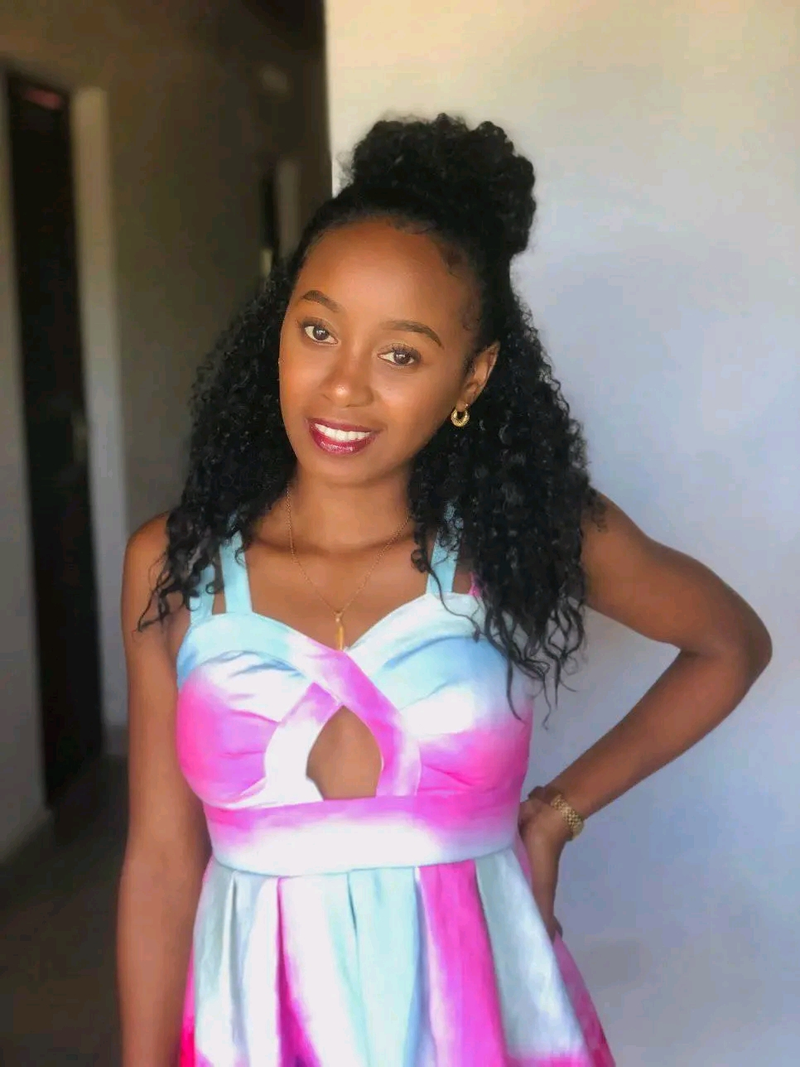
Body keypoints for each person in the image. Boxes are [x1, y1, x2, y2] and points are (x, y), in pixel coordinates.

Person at [117, 115, 772, 1067]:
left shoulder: (522, 534)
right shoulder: (173, 562)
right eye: (317, 329)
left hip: (486, 1031)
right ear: (279, 329)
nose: (343, 388)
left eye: (401, 354)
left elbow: (730, 644)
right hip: (254, 1037)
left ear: (473, 376)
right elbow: (160, 861)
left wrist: (557, 813)